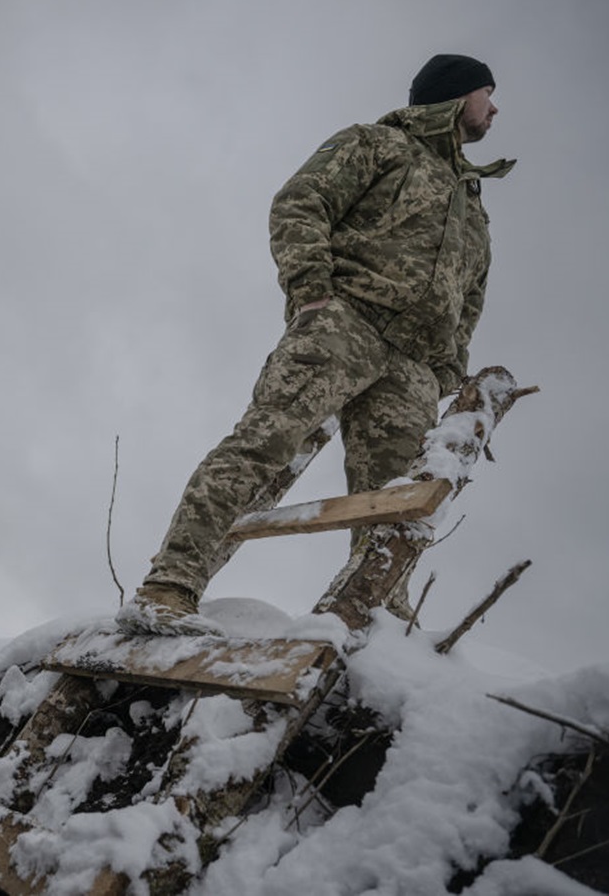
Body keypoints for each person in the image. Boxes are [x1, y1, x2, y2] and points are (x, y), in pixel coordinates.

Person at [119, 54, 515, 635]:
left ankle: (372, 626)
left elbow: (471, 297)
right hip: (344, 324)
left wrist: (447, 369)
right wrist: (312, 293)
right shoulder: (377, 144)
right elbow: (302, 202)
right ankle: (170, 586)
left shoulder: (473, 205)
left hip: (412, 367)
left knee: (395, 501)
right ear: (456, 97)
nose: (495, 108)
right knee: (262, 445)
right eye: (488, 93)